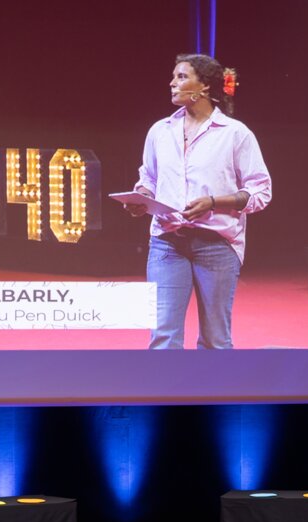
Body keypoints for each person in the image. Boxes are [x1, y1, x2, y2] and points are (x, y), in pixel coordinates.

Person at [124, 53, 272, 349]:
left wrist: (214, 202)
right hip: (167, 242)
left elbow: (260, 192)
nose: (172, 83)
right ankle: (166, 396)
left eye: (181, 77)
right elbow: (149, 178)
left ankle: (213, 396)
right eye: (174, 76)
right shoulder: (160, 130)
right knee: (163, 337)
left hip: (216, 245)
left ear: (203, 87)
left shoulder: (235, 134)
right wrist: (142, 197)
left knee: (215, 340)